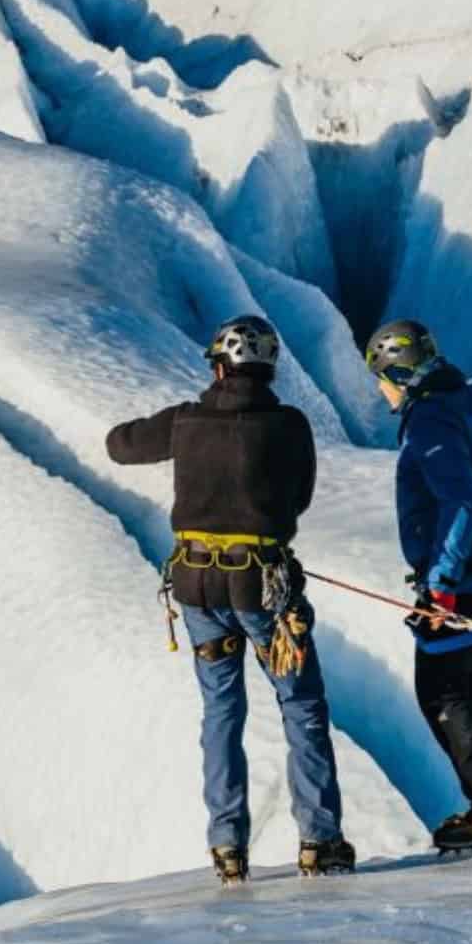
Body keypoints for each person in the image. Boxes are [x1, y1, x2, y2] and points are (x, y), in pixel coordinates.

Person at [107, 314, 357, 884]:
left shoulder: (186, 421)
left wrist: (182, 429)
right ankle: (320, 840)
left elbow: (120, 446)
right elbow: (302, 497)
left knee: (222, 710)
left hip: (197, 587)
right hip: (262, 586)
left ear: (219, 366)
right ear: (267, 369)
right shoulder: (288, 425)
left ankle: (227, 846)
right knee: (300, 705)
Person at [364, 318, 472, 854]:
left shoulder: (432, 417)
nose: (382, 391)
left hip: (466, 580)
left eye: (382, 378)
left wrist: (441, 584)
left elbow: (461, 501)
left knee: (444, 690)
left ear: (399, 371)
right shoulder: (466, 407)